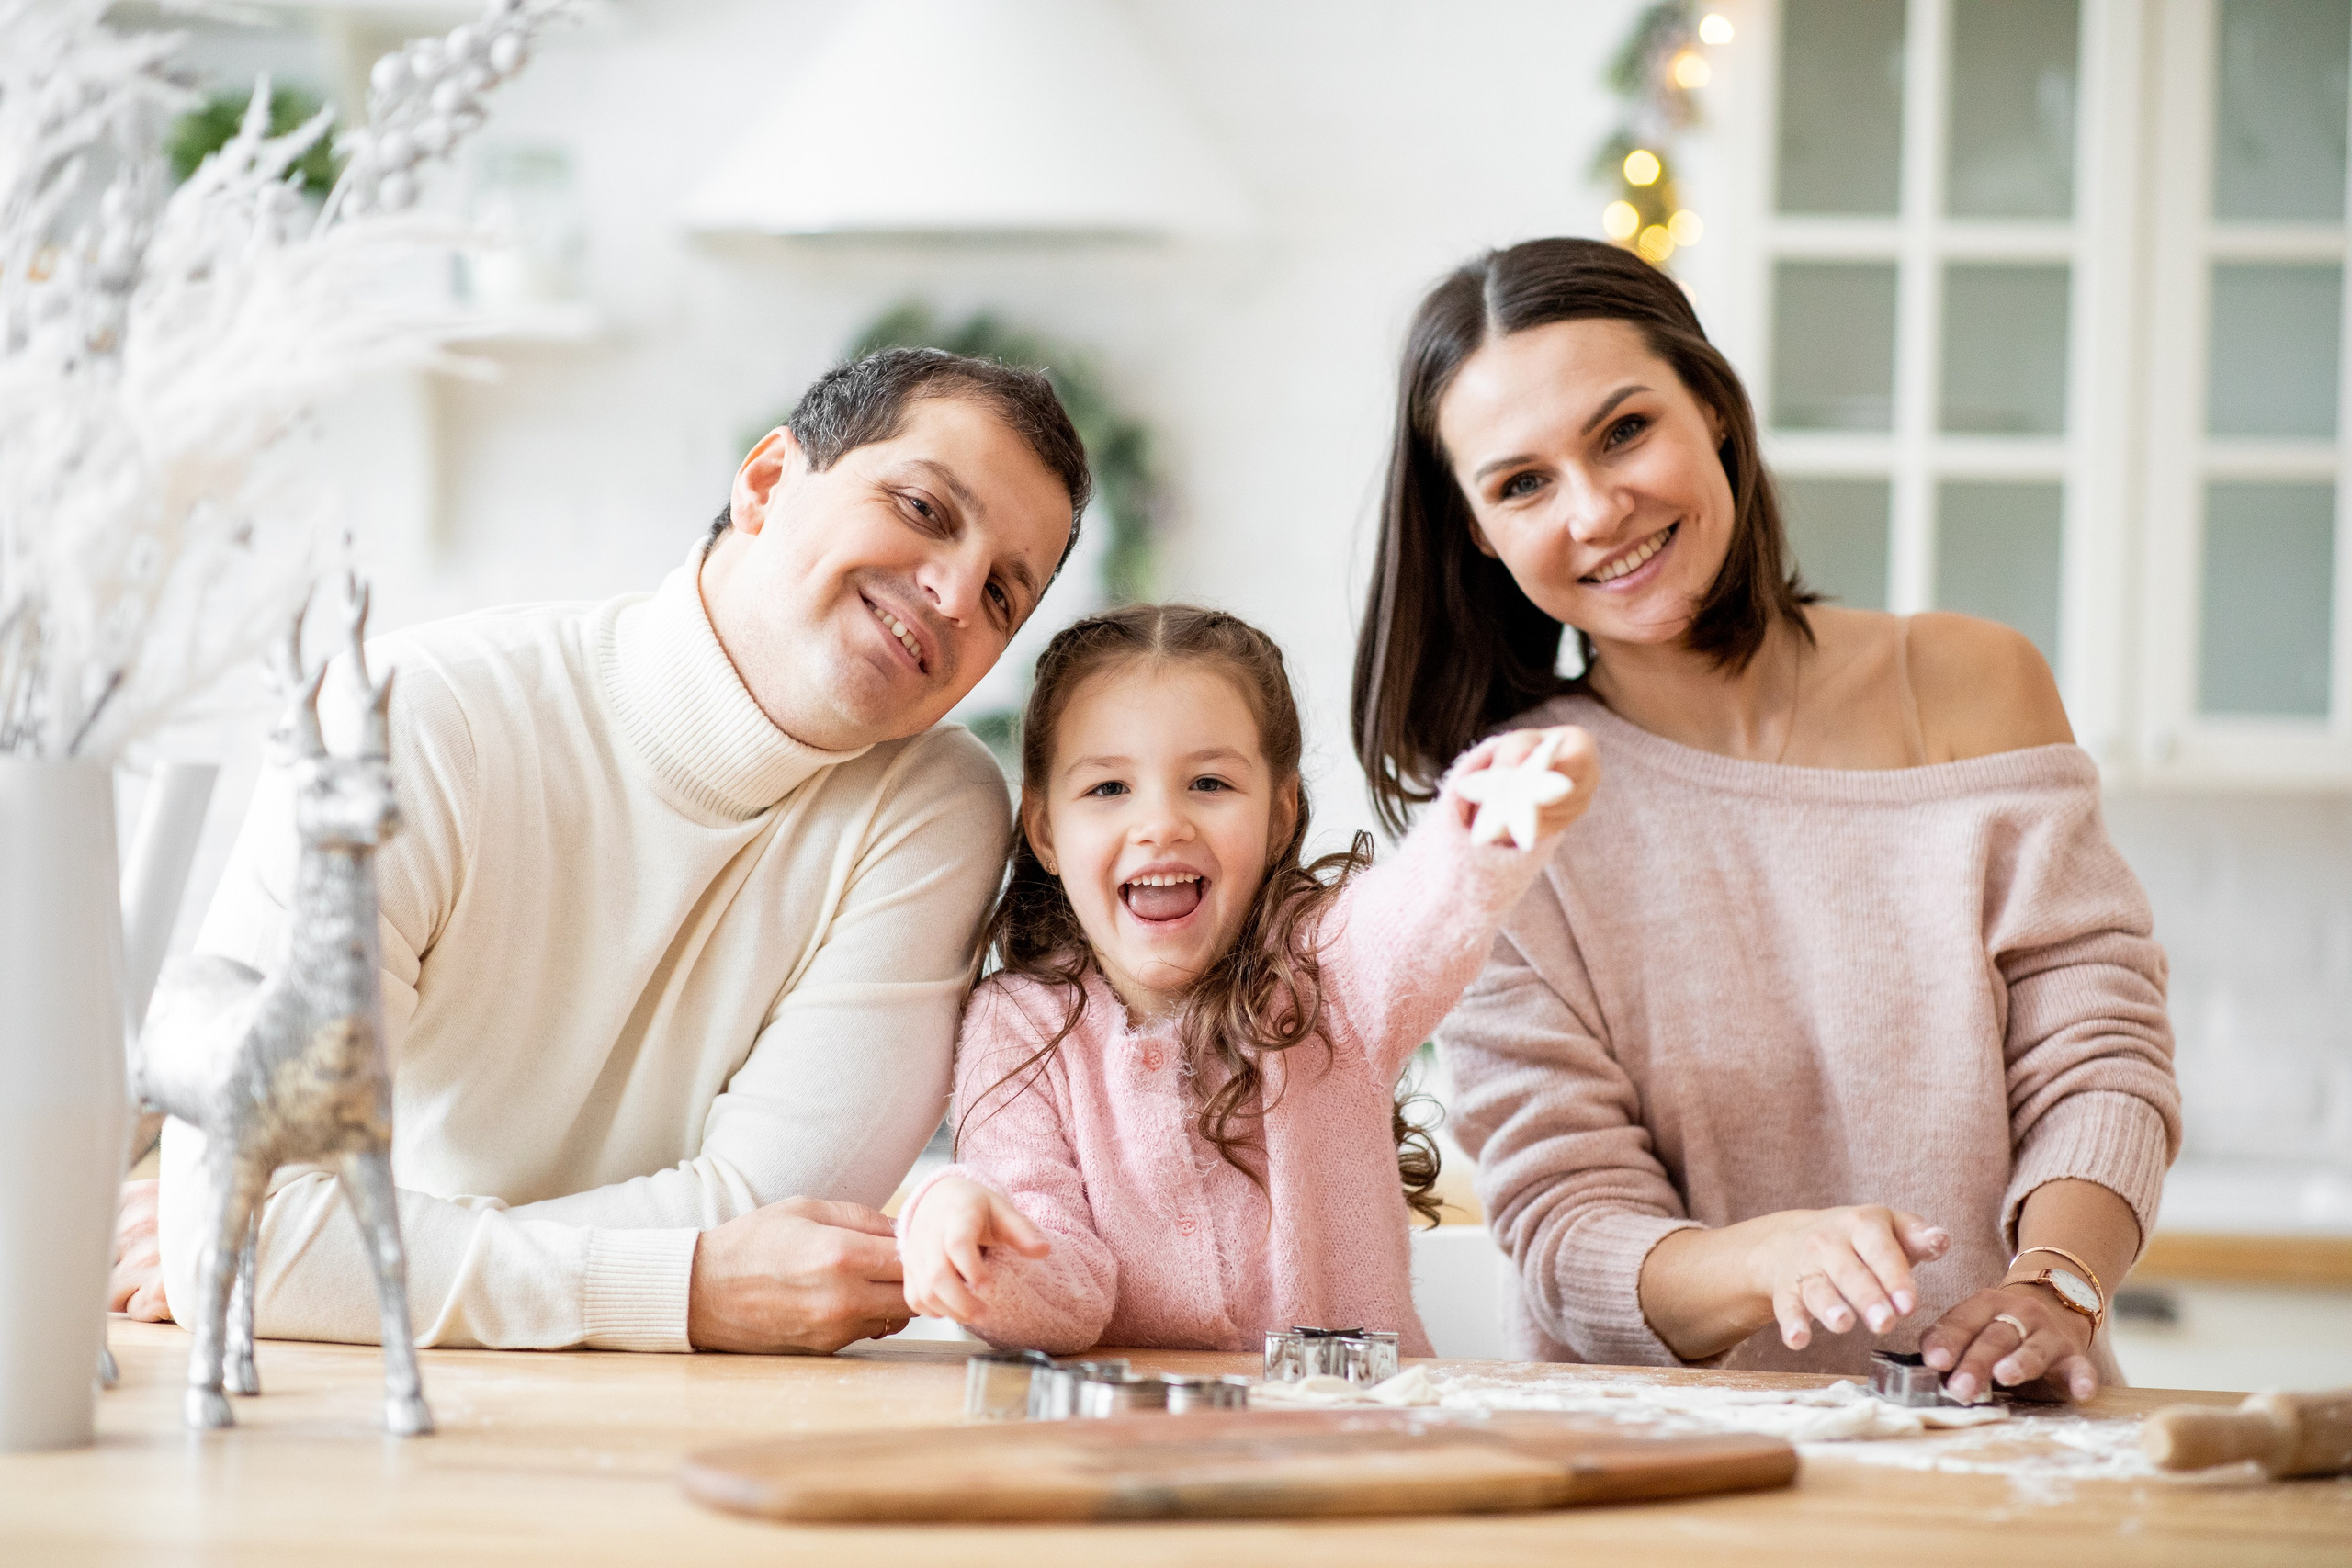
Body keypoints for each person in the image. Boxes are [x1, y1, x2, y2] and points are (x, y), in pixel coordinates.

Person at [114, 348, 1089, 1355]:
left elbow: (778, 1224)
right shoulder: (412, 718)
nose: (956, 592)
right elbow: (256, 1238)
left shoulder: (935, 807)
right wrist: (689, 1288)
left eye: (1005, 595)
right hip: (378, 1412)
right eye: (925, 510)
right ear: (763, 484)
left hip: (651, 1412)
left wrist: (347, 1266)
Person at [1351, 238, 2179, 1401]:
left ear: (1715, 415)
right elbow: (1564, 1223)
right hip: (1662, 1479)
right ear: (1478, 533)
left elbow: (2099, 1061)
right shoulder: (1507, 815)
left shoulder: (1969, 685)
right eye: (1522, 483)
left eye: (1624, 430)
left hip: (2005, 1433)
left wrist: (2054, 1286)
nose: (1596, 510)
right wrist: (1767, 1261)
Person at [896, 604, 1596, 1352]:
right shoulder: (1016, 1026)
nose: (1160, 823)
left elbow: (1415, 918)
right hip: (1128, 1457)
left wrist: (1482, 827)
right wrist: (971, 1237)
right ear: (1044, 830)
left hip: (1352, 1447)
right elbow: (1061, 1285)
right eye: (1108, 789)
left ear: (1278, 815)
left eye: (1208, 782)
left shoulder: (1326, 967)